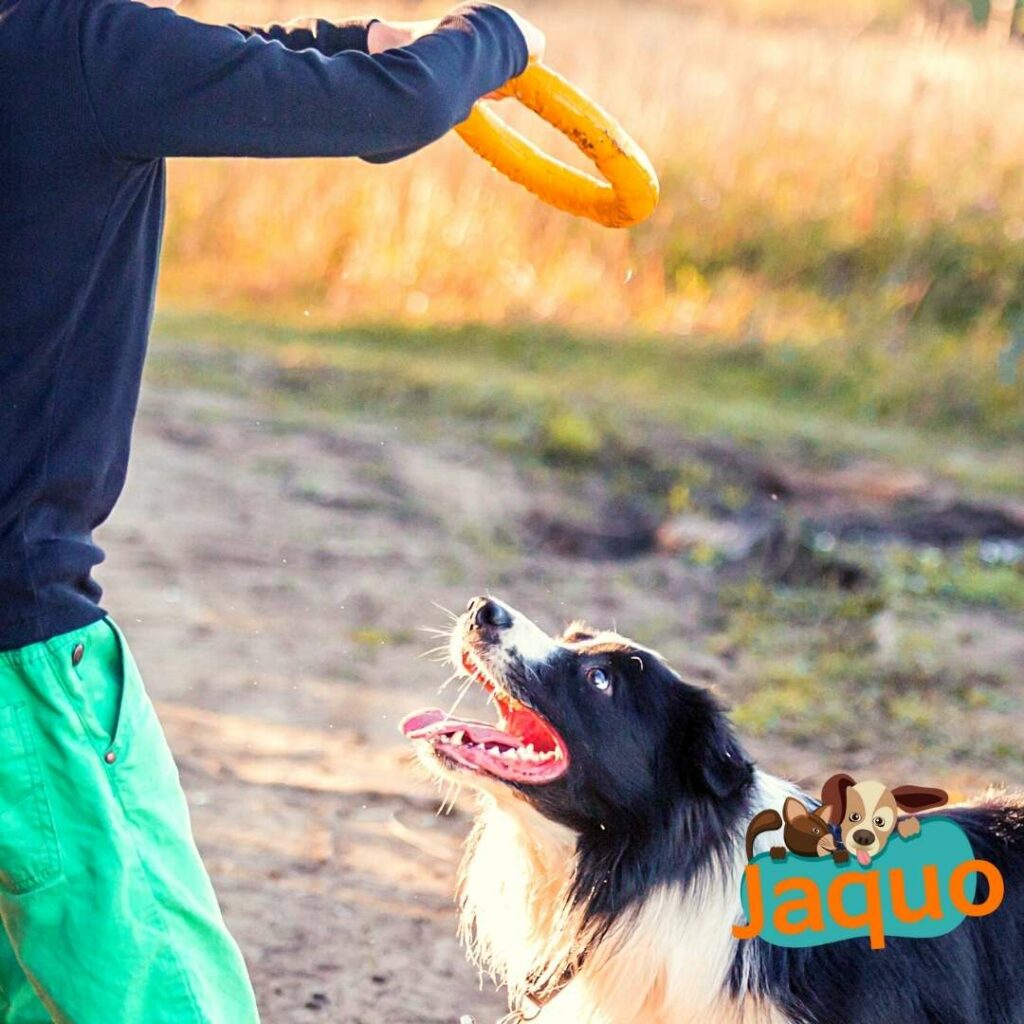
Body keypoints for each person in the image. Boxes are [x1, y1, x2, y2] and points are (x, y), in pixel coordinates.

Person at [0, 1, 543, 1020]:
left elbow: (238, 69)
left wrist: (346, 45)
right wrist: (497, 38)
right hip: (19, 657)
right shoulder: (83, 50)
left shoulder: (62, 50)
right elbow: (401, 107)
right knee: (162, 989)